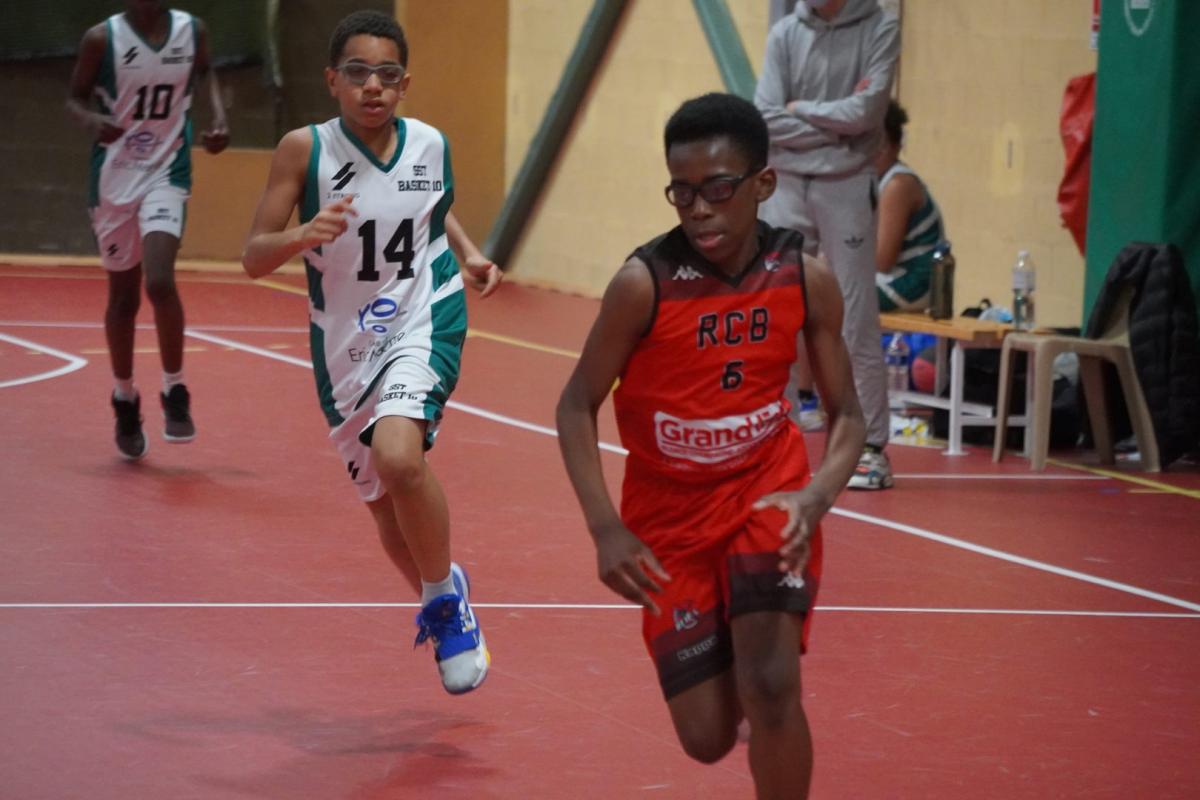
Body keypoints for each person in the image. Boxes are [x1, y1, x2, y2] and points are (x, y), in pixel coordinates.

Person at [557, 93, 866, 800]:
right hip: (669, 520)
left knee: (773, 685)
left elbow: (848, 417)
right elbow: (575, 404)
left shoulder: (805, 277)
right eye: (683, 192)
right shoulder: (643, 285)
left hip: (768, 495)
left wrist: (815, 498)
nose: (699, 209)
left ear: (763, 184)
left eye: (718, 189)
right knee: (707, 738)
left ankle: (759, 660)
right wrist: (605, 529)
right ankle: (734, 637)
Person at [242, 11, 501, 694]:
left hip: (422, 311)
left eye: (387, 74)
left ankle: (445, 607)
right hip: (345, 342)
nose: (373, 86)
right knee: (385, 506)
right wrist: (301, 234)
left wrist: (469, 255)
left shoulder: (430, 143)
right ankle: (443, 588)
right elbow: (253, 257)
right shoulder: (304, 150)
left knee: (399, 457)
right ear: (333, 80)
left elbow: (429, 209)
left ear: (405, 83)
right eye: (358, 73)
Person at [66, 0, 230, 460]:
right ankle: (124, 398)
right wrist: (90, 120)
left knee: (159, 281)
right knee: (123, 298)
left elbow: (207, 74)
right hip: (114, 177)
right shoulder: (102, 39)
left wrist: (218, 118)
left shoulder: (192, 30)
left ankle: (175, 389)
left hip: (166, 169)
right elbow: (74, 97)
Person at [754, 0, 900, 490]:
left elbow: (868, 111)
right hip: (786, 183)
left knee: (855, 315)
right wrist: (835, 130)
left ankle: (870, 448)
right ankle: (775, 441)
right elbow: (766, 116)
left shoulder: (880, 27)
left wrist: (803, 111)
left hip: (847, 183)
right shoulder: (785, 34)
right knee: (776, 308)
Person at [874, 100, 946, 312]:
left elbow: (882, 260)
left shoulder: (898, 185)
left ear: (883, 145)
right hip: (894, 277)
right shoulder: (879, 180)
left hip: (912, 283)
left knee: (835, 293)